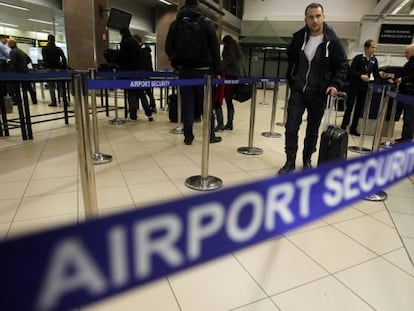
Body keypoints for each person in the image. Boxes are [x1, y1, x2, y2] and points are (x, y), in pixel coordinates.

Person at [279, 2, 348, 174]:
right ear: (306, 19)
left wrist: (334, 84)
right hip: (298, 91)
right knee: (291, 127)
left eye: (318, 16)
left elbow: (342, 65)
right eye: (311, 17)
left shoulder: (332, 41)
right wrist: (293, 78)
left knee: (312, 130)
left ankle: (307, 159)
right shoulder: (298, 37)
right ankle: (289, 161)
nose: (315, 20)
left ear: (323, 17)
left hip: (319, 93)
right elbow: (291, 58)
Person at [165, 0, 221, 145]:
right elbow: (215, 48)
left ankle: (188, 137)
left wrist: (176, 62)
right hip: (204, 72)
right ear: (197, 6)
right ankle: (210, 135)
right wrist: (217, 70)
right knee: (206, 106)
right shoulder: (206, 23)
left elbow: (168, 47)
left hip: (184, 71)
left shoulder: (176, 24)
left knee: (187, 105)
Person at [341, 39, 387, 136]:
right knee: (350, 106)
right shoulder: (358, 58)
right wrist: (360, 76)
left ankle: (354, 128)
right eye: (372, 47)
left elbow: (375, 73)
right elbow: (351, 71)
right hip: (354, 85)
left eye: (375, 48)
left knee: (359, 108)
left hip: (364, 86)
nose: (374, 49)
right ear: (366, 48)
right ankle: (344, 126)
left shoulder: (374, 60)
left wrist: (383, 77)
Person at [118, 28, 153, 121]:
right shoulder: (135, 43)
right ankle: (149, 114)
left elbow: (123, 58)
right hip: (139, 72)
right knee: (142, 94)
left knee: (132, 94)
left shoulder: (125, 43)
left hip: (130, 72)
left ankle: (133, 115)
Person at [217, 35, 243, 131]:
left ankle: (227, 123)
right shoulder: (236, 51)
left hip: (229, 79)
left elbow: (223, 65)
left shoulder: (229, 53)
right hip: (234, 78)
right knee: (229, 101)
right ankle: (229, 123)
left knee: (227, 100)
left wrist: (217, 67)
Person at [392, 44, 414, 144]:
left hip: (411, 94)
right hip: (406, 93)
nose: (405, 54)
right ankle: (405, 136)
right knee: (406, 116)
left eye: (407, 52)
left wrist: (402, 79)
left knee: (409, 117)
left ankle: (407, 139)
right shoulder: (410, 62)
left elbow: (411, 76)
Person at [8, 39, 37, 105]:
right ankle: (34, 100)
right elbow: (29, 59)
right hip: (25, 71)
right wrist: (24, 64)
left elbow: (14, 62)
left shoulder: (12, 52)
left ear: (10, 44)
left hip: (18, 72)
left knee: (16, 87)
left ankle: (17, 101)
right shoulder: (20, 51)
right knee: (28, 87)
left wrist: (9, 65)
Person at [41, 34, 67, 107]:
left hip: (49, 69)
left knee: (51, 86)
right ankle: (64, 101)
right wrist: (63, 67)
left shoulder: (44, 49)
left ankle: (54, 101)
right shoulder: (58, 49)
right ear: (54, 40)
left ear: (48, 40)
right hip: (58, 69)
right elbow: (64, 59)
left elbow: (44, 59)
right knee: (61, 86)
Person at [134, 34, 157, 114]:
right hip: (147, 74)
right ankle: (153, 106)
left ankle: (147, 110)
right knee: (148, 92)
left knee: (142, 93)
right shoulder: (147, 52)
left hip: (141, 74)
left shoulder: (140, 52)